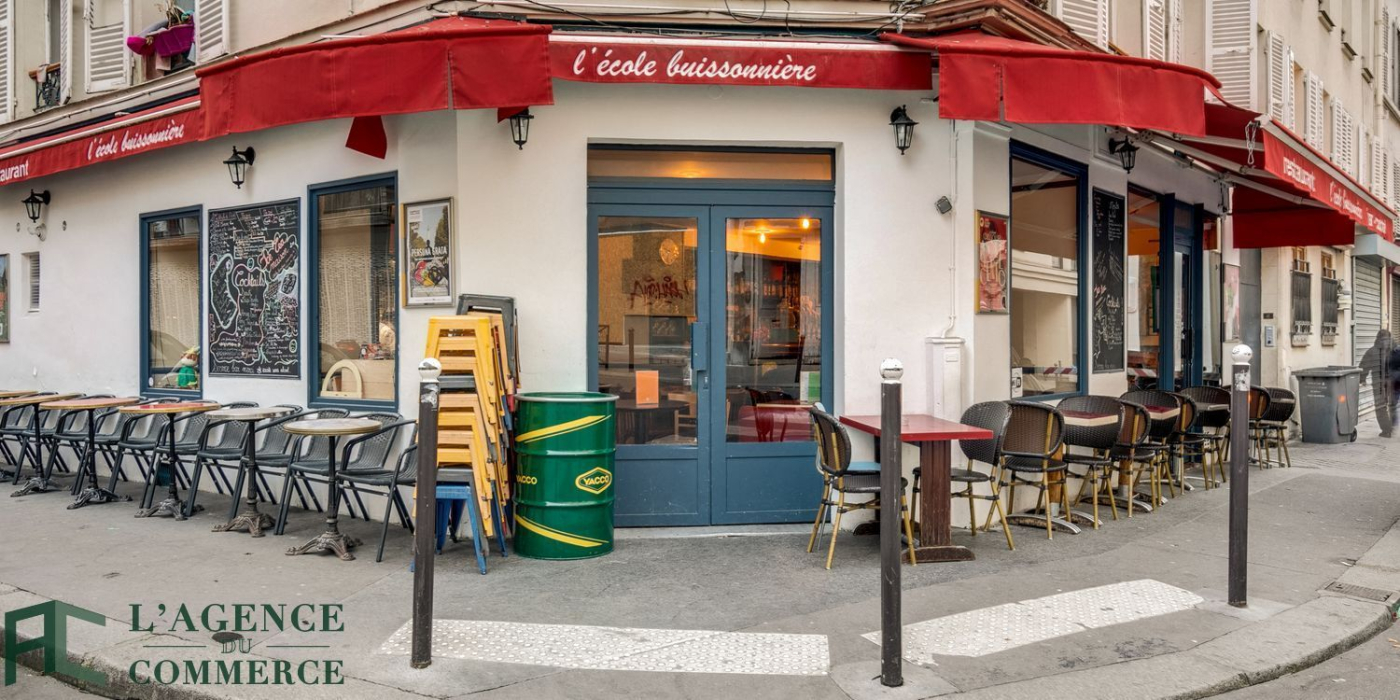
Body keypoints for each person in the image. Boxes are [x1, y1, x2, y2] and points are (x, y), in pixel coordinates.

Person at [1361, 330, 1396, 437]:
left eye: (1386, 339)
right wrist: (1362, 378)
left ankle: (1387, 429)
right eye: (1384, 339)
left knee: (1381, 406)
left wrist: (1362, 378)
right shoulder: (1393, 351)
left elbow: (1364, 365)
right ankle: (1388, 428)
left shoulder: (1373, 351)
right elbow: (1364, 365)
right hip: (1387, 383)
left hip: (1383, 384)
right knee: (1387, 406)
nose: (1385, 342)